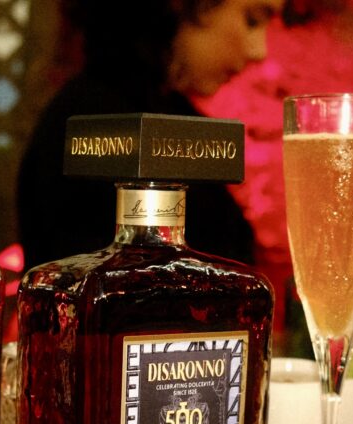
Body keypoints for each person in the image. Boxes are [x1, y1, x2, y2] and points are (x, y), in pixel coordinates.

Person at [16, 0, 283, 269]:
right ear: (186, 7)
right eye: (252, 19)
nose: (259, 51)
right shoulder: (99, 120)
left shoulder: (161, 109)